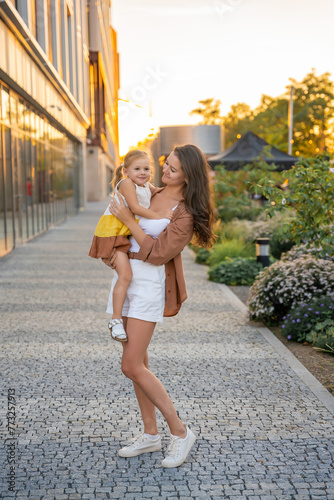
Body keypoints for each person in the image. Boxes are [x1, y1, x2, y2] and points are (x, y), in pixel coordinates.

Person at [107, 144, 216, 468]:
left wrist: (128, 218)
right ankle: (151, 434)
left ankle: (180, 432)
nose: (163, 171)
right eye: (165, 165)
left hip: (149, 287)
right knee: (138, 362)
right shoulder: (150, 192)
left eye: (173, 169)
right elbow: (122, 214)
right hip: (126, 282)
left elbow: (157, 253)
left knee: (130, 366)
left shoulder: (186, 212)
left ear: (188, 176)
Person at [89, 149, 173, 342]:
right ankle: (115, 320)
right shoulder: (126, 183)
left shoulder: (143, 185)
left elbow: (159, 192)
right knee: (126, 275)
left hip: (121, 234)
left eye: (147, 168)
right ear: (125, 171)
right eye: (137, 169)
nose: (143, 172)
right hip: (111, 234)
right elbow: (135, 209)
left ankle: (118, 319)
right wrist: (160, 216)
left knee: (125, 275)